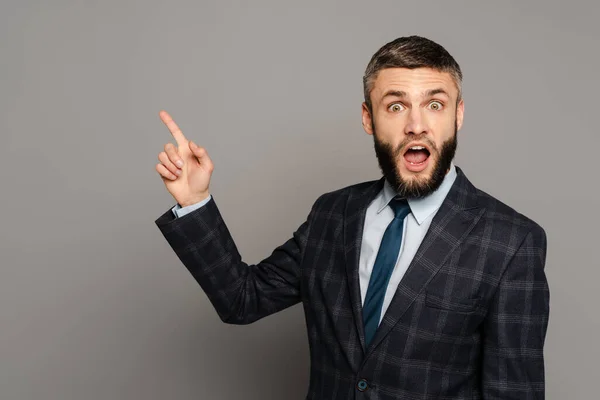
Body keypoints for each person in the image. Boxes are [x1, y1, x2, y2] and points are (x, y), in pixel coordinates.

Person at [154, 36, 549, 399]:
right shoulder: (333, 214)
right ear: (368, 118)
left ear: (458, 115)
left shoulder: (511, 242)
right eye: (396, 106)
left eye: (435, 104)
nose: (416, 125)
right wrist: (195, 201)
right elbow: (243, 299)